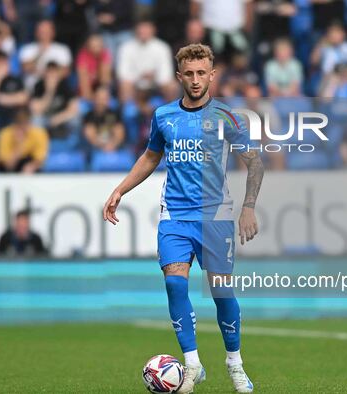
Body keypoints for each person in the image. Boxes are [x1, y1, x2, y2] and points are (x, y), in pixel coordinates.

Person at [103, 44, 263, 394]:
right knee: (175, 283)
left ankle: (234, 363)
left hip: (216, 216)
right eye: (188, 74)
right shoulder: (163, 116)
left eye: (201, 73)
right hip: (174, 215)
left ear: (212, 75)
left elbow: (254, 161)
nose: (195, 80)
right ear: (179, 76)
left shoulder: (227, 117)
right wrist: (121, 189)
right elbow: (150, 157)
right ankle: (192, 365)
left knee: (221, 291)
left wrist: (248, 206)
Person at [116, 20, 176, 102]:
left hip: (156, 84)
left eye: (146, 29)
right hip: (134, 84)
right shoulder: (126, 48)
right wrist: (141, 76)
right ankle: (128, 112)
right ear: (136, 30)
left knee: (172, 86)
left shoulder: (162, 47)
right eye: (141, 29)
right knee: (124, 86)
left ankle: (169, 113)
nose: (143, 32)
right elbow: (122, 74)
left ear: (153, 30)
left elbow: (166, 73)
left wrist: (154, 78)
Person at [30, 62, 80, 140]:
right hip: (45, 118)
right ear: (45, 73)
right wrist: (49, 92)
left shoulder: (65, 85)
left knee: (75, 119)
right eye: (49, 72)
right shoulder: (39, 86)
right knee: (35, 120)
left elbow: (73, 109)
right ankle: (40, 142)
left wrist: (58, 118)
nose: (52, 76)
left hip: (61, 118)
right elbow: (36, 109)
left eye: (54, 72)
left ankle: (72, 144)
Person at [0, 107, 49, 173]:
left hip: (31, 169)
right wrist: (19, 145)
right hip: (11, 169)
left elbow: (40, 159)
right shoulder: (5, 134)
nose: (23, 127)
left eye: (25, 123)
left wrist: (31, 166)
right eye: (20, 123)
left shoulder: (39, 133)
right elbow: (8, 166)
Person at [83, 86, 125, 152]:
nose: (101, 102)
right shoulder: (89, 116)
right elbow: (90, 136)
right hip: (95, 149)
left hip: (112, 147)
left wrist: (113, 144)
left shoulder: (114, 114)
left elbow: (119, 134)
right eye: (100, 98)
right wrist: (103, 146)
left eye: (105, 99)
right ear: (95, 99)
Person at [76, 33, 112, 101]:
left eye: (98, 46)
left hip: (102, 94)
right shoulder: (83, 56)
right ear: (88, 46)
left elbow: (106, 80)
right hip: (86, 94)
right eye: (93, 46)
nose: (96, 49)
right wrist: (93, 99)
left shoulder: (105, 54)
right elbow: (84, 83)